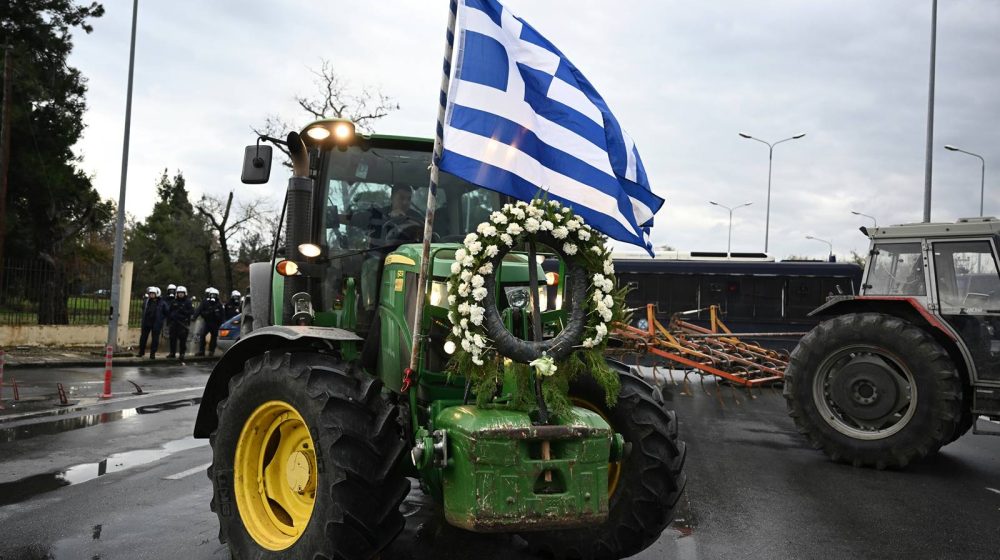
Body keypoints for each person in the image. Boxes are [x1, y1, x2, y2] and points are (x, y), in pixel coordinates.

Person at [138, 286, 167, 359]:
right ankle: (141, 352)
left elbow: (166, 312)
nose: (151, 295)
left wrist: (161, 319)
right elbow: (143, 309)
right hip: (147, 322)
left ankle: (152, 353)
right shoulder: (146, 301)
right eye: (150, 293)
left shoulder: (162, 303)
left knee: (155, 339)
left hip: (156, 323)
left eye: (153, 294)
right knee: (143, 338)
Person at [194, 287, 225, 357]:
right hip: (207, 322)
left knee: (214, 338)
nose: (213, 297)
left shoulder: (219, 304)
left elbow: (223, 315)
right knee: (202, 336)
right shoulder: (205, 302)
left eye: (214, 295)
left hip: (215, 323)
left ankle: (211, 351)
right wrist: (194, 317)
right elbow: (199, 310)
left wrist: (221, 321)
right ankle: (201, 351)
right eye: (212, 295)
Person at [167, 285, 194, 360]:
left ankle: (182, 354)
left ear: (185, 293)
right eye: (179, 293)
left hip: (183, 324)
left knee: (182, 340)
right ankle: (172, 353)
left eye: (182, 293)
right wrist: (169, 321)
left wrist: (183, 311)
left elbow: (192, 311)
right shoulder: (174, 301)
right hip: (174, 323)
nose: (180, 294)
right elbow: (170, 311)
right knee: (172, 339)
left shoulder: (188, 302)